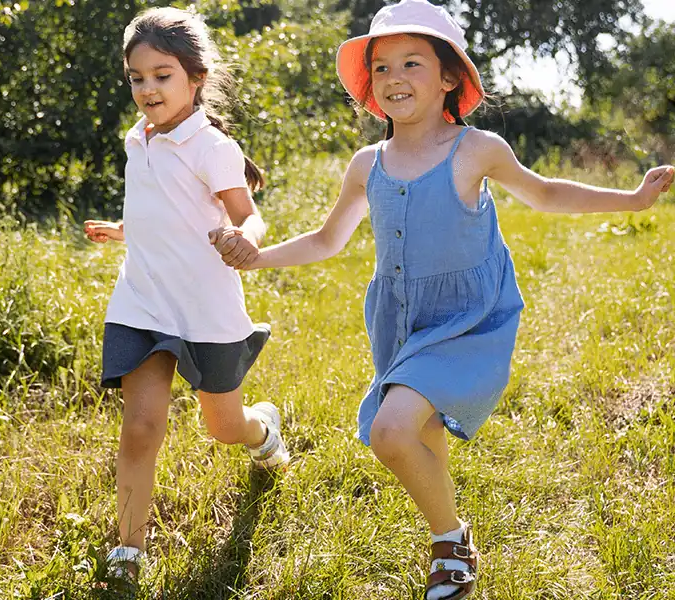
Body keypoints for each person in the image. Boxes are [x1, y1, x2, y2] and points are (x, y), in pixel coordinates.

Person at [211, 1, 674, 597]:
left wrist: (631, 200)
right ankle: (449, 542)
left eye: (412, 63)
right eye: (381, 67)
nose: (395, 78)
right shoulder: (366, 164)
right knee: (419, 438)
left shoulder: (475, 149)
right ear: (370, 85)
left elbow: (547, 193)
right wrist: (258, 256)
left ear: (450, 77)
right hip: (400, 321)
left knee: (390, 432)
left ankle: (451, 540)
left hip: (466, 319)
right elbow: (329, 239)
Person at [83, 6, 290, 586]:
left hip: (203, 308)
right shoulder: (138, 139)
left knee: (223, 427)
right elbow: (165, 211)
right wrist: (125, 231)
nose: (147, 89)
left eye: (162, 75)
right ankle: (128, 549)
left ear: (195, 78)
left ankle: (263, 430)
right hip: (142, 300)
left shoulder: (211, 147)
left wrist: (241, 239)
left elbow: (249, 217)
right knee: (140, 428)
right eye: (137, 77)